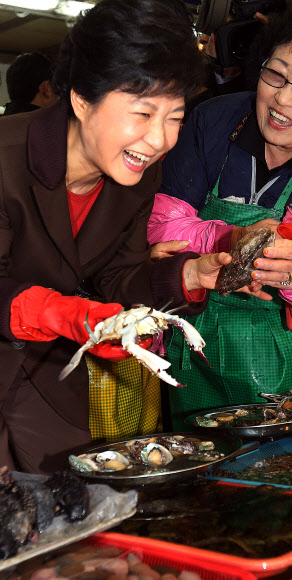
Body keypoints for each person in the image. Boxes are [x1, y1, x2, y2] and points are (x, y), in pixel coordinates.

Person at [0, 0, 253, 474]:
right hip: (28, 349)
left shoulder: (133, 174)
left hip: (47, 375)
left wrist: (191, 275)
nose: (159, 139)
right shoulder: (4, 159)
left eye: (174, 116)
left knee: (82, 502)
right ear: (80, 98)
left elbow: (115, 278)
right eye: (142, 112)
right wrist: (67, 313)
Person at [148, 0, 292, 429]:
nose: (282, 98)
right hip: (196, 343)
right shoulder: (212, 120)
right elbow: (164, 226)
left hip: (289, 353)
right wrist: (233, 240)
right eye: (275, 75)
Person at [3, 52, 58, 117]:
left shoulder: (4, 122)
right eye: (56, 87)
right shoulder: (55, 125)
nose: (58, 97)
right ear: (47, 88)